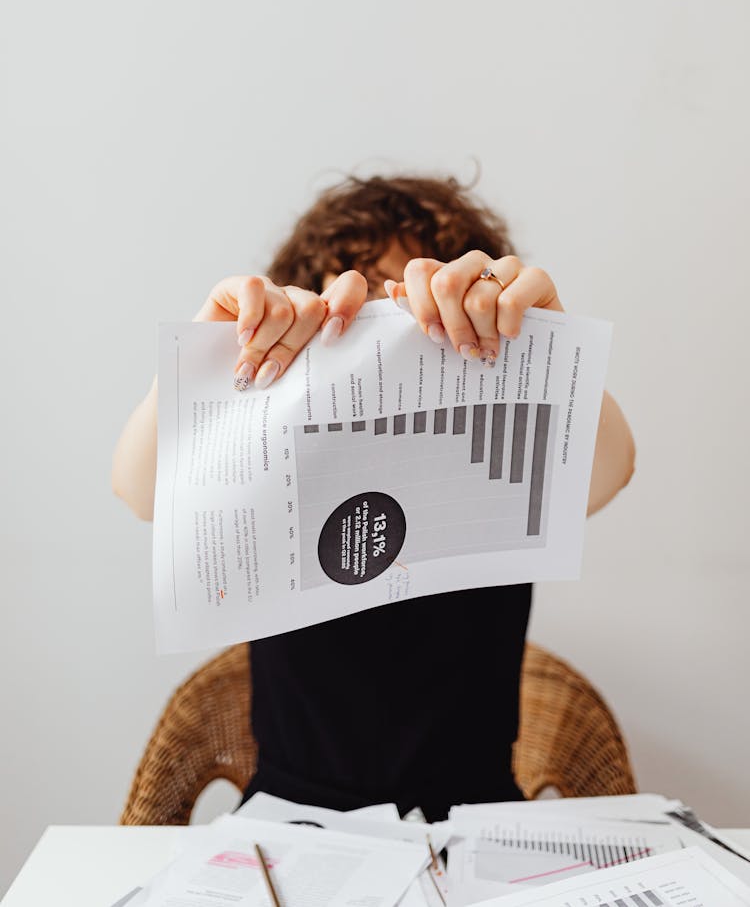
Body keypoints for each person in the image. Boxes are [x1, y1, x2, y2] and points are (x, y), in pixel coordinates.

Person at [113, 172, 635, 821]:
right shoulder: (273, 458)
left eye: (405, 306)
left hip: (477, 823)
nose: (384, 333)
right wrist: (202, 357)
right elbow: (140, 492)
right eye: (358, 310)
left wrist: (548, 341)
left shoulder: (500, 447)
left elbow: (610, 470)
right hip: (289, 821)